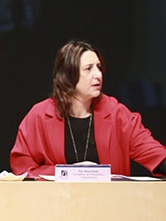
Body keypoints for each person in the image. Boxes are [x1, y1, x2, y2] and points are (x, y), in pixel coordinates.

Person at [10, 39, 166, 178]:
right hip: (56, 200)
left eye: (99, 67)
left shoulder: (116, 113)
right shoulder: (40, 115)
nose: (98, 75)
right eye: (88, 68)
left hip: (107, 199)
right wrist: (68, 173)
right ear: (68, 75)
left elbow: (149, 150)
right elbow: (22, 169)